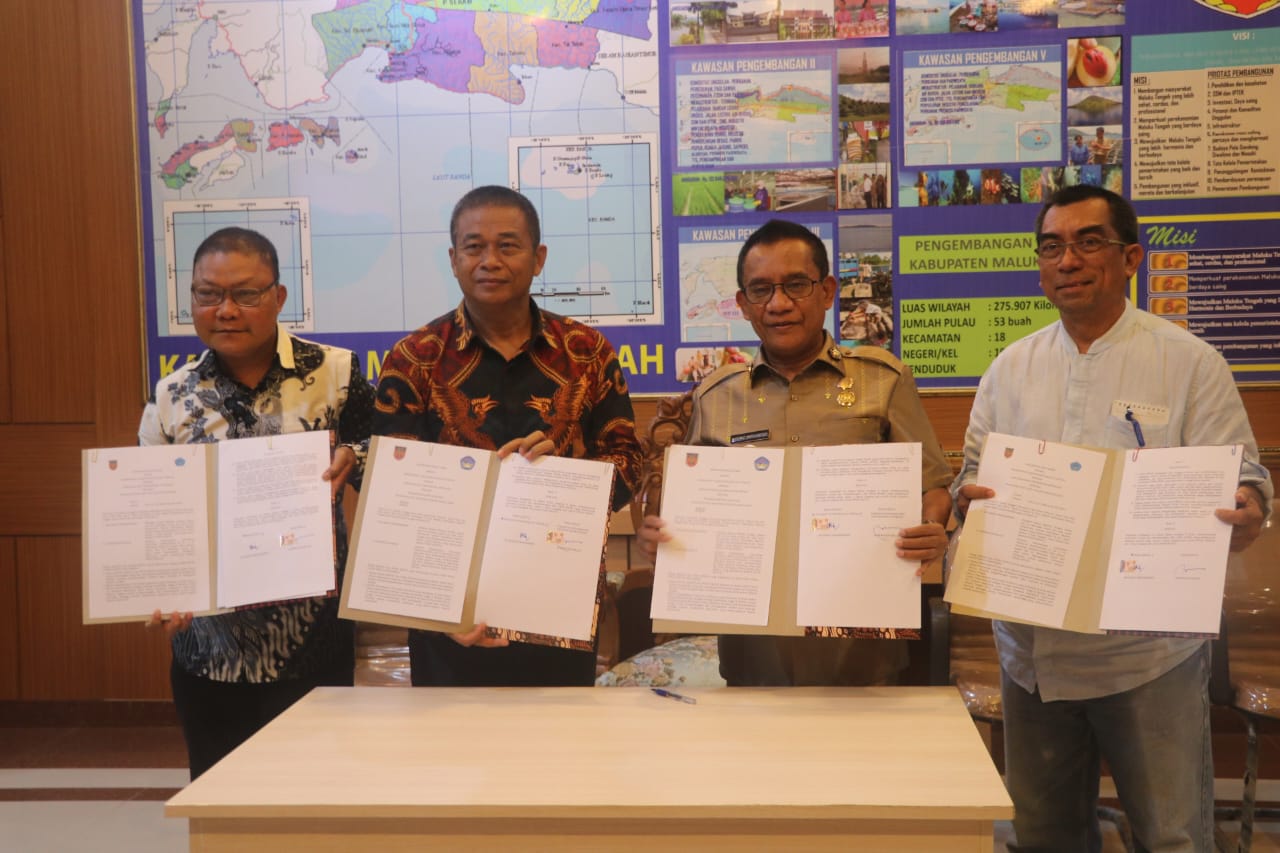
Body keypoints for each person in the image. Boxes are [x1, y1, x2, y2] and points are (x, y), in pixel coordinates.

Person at [953, 185, 1272, 852]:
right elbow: (971, 476)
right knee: (1046, 837)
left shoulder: (1189, 361)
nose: (1067, 260)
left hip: (1148, 656)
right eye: (1051, 246)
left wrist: (1248, 504)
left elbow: (1245, 477)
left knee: (1172, 837)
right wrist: (966, 500)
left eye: (1088, 242)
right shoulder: (1010, 369)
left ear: (1130, 258)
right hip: (1032, 655)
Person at [638, 219, 952, 686]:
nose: (779, 304)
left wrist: (930, 526)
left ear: (826, 291)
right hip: (752, 649)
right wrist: (664, 537)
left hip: (863, 647)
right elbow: (690, 512)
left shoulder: (883, 380)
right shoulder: (716, 396)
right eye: (761, 290)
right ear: (743, 303)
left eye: (796, 285)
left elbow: (934, 486)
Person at [372, 185, 642, 687]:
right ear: (453, 260)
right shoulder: (414, 358)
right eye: (474, 247)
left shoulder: (587, 351)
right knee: (450, 737)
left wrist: (565, 477)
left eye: (508, 246)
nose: (490, 261)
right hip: (449, 615)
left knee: (562, 734)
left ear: (538, 258)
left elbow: (628, 460)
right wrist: (438, 607)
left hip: (559, 602)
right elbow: (390, 492)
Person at [141, 227, 375, 779]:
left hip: (313, 646)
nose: (225, 310)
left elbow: (386, 469)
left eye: (245, 294)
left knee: (315, 801)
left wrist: (357, 456)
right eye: (207, 294)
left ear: (278, 296)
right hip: (208, 656)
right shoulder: (173, 394)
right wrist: (161, 588)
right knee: (221, 803)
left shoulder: (336, 373)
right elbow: (155, 510)